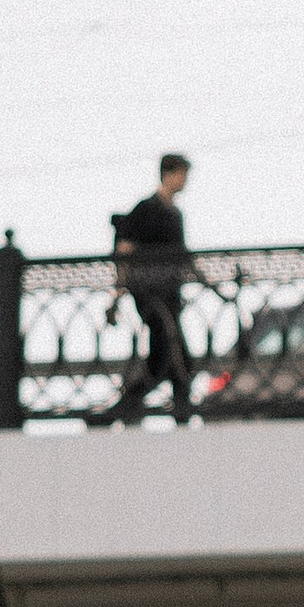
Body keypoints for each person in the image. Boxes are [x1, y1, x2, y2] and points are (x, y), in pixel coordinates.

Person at [99, 152, 197, 426]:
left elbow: (183, 257)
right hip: (150, 294)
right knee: (173, 352)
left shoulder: (174, 213)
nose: (186, 181)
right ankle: (181, 414)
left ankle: (120, 411)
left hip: (170, 294)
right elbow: (125, 252)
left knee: (164, 355)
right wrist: (117, 294)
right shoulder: (147, 209)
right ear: (170, 173)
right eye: (183, 174)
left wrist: (211, 283)